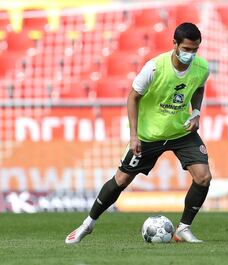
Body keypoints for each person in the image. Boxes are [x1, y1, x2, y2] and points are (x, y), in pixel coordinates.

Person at [65, 22, 212, 244]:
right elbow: (133, 97)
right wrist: (134, 135)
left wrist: (196, 112)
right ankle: (88, 223)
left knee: (203, 177)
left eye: (194, 50)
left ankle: (183, 228)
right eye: (186, 49)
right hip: (148, 135)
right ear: (175, 44)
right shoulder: (154, 68)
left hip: (181, 131)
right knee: (121, 180)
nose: (190, 55)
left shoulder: (201, 68)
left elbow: (198, 87)